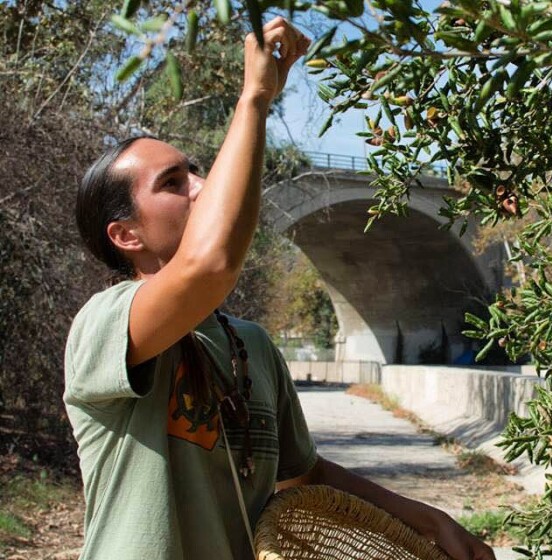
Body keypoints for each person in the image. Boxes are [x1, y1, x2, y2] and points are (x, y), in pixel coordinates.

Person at [65, 16, 495, 560]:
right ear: (126, 235)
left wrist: (429, 519)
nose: (201, 186)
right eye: (173, 183)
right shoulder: (104, 325)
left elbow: (303, 474)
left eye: (196, 171)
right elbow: (209, 266)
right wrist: (254, 100)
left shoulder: (254, 346)